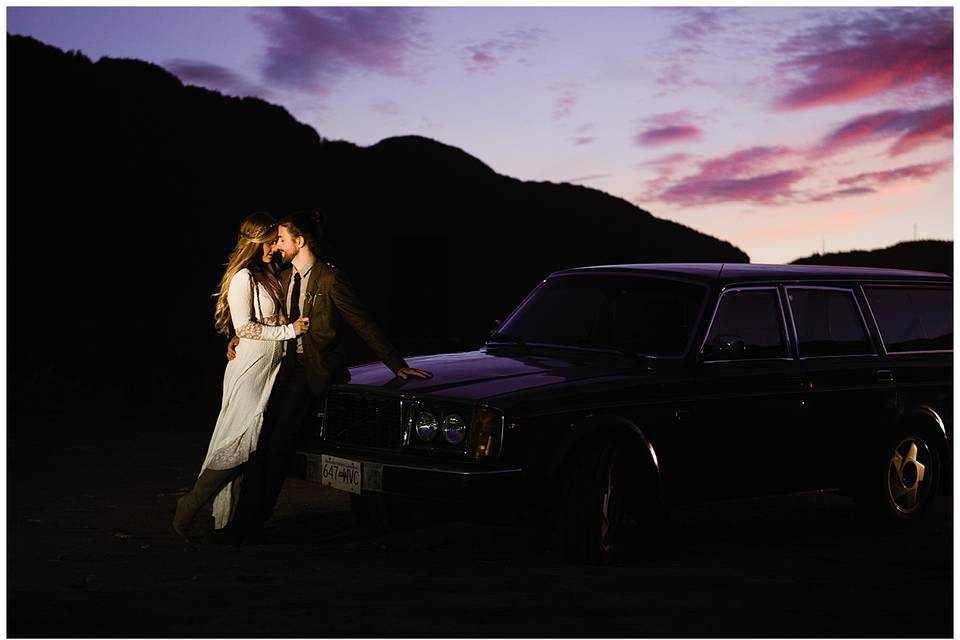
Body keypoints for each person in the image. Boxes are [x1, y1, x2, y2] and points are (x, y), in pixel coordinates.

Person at [220, 210, 431, 544]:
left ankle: (250, 527)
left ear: (299, 241)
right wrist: (239, 337)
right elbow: (267, 318)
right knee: (261, 446)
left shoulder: (330, 279)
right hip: (285, 369)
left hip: (312, 373)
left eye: (282, 240)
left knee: (276, 449)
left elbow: (362, 322)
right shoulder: (287, 276)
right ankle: (243, 524)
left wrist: (396, 364)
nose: (277, 246)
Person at [172, 212, 310, 541]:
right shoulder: (243, 278)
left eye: (276, 241)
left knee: (254, 441)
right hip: (250, 369)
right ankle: (190, 503)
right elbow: (244, 326)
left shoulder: (270, 274)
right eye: (269, 241)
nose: (274, 247)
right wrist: (291, 330)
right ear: (253, 242)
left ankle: (230, 516)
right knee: (240, 438)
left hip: (271, 368)